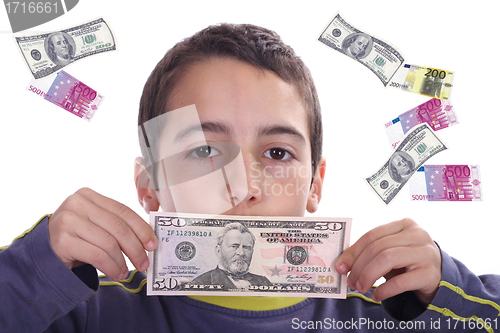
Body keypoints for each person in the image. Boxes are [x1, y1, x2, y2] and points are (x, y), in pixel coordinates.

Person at [1, 23, 499, 332]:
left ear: (315, 184)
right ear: (147, 184)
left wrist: (454, 292)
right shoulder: (83, 310)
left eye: (278, 151)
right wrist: (34, 267)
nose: (243, 187)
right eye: (203, 149)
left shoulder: (396, 310)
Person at [191, 222, 272, 289]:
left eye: (246, 247)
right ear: (218, 250)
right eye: (234, 246)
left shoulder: (264, 282)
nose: (241, 253)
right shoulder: (200, 283)